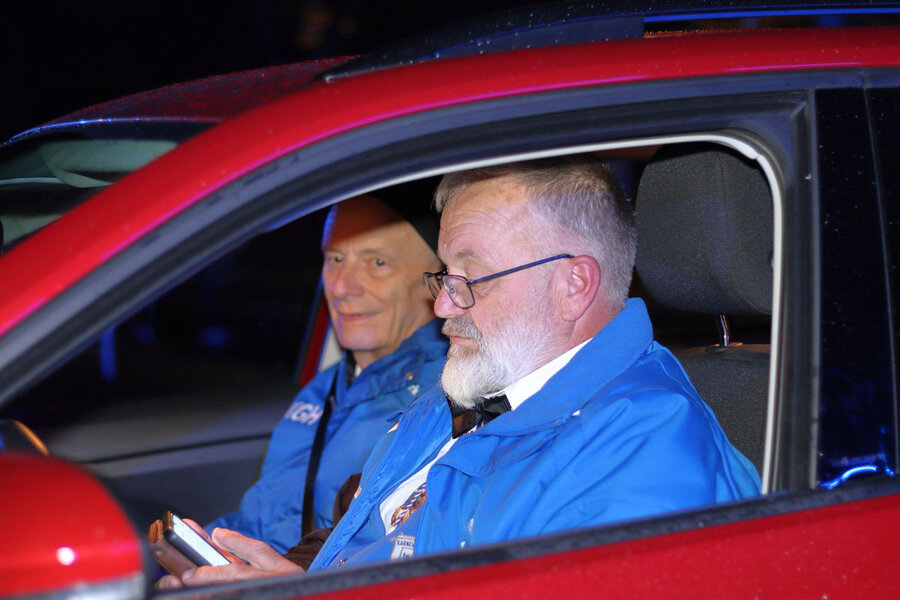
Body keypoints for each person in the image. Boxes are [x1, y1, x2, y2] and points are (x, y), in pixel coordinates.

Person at [159, 156, 760, 587]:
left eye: (472, 278)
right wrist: (290, 580)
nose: (443, 305)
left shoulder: (646, 455)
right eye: (445, 275)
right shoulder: (460, 399)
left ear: (573, 284)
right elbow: (375, 547)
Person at [203, 185, 447, 554]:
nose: (341, 287)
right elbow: (262, 520)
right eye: (335, 259)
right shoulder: (325, 388)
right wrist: (207, 546)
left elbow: (386, 555)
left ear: (437, 281)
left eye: (377, 263)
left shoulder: (444, 399)